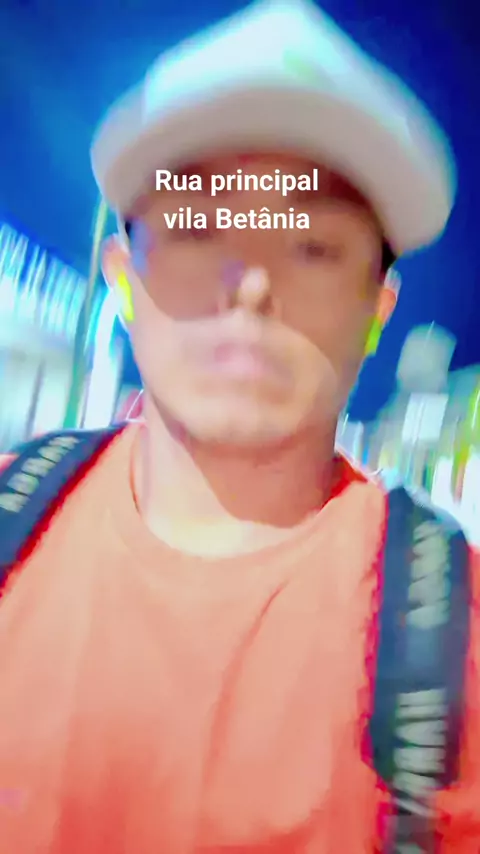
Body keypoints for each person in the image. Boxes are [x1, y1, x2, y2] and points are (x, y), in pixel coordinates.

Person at [0, 1, 479, 852]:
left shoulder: (459, 641)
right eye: (197, 227)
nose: (252, 285)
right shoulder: (12, 520)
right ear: (120, 277)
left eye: (312, 247)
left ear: (377, 313)